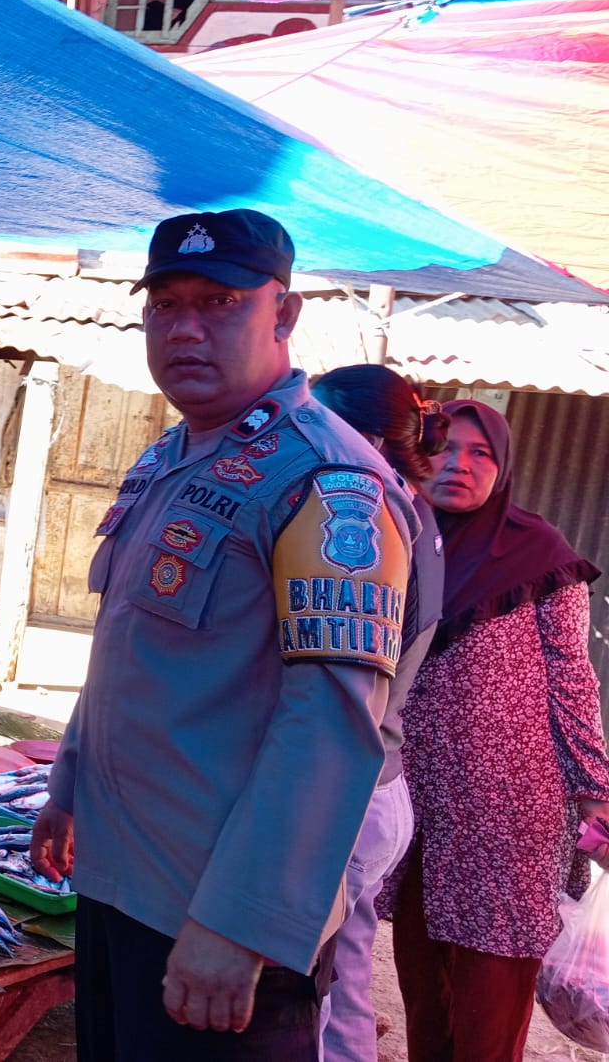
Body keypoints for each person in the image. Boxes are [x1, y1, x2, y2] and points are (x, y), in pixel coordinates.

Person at [30, 208, 417, 1060]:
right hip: (119, 879)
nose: (185, 328)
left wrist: (241, 926)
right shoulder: (178, 454)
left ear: (284, 314)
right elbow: (126, 649)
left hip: (208, 914)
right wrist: (67, 785)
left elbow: (331, 724)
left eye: (220, 302)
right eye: (165, 305)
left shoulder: (327, 480)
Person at [380, 398, 609, 1061]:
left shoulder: (540, 555)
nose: (461, 465)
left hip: (509, 814)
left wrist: (595, 789)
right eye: (447, 448)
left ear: (503, 466)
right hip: (417, 800)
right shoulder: (397, 541)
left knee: (491, 996)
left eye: (481, 453)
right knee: (423, 982)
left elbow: (572, 678)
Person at [309, 365, 449, 1061]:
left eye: (315, 422)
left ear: (363, 437)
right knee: (346, 984)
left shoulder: (367, 520)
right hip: (382, 787)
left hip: (351, 790)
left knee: (306, 992)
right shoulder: (415, 514)